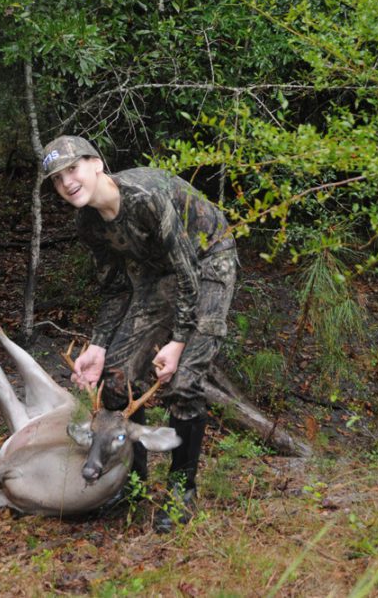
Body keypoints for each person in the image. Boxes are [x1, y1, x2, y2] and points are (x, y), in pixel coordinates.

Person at [41, 135, 237, 533]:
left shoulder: (145, 197)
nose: (67, 183)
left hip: (209, 261)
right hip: (157, 276)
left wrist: (177, 342)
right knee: (116, 381)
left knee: (184, 384)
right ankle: (132, 482)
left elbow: (188, 276)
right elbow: (115, 289)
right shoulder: (88, 222)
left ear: (96, 164)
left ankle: (183, 490)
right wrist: (97, 345)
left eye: (72, 169)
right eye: (57, 180)